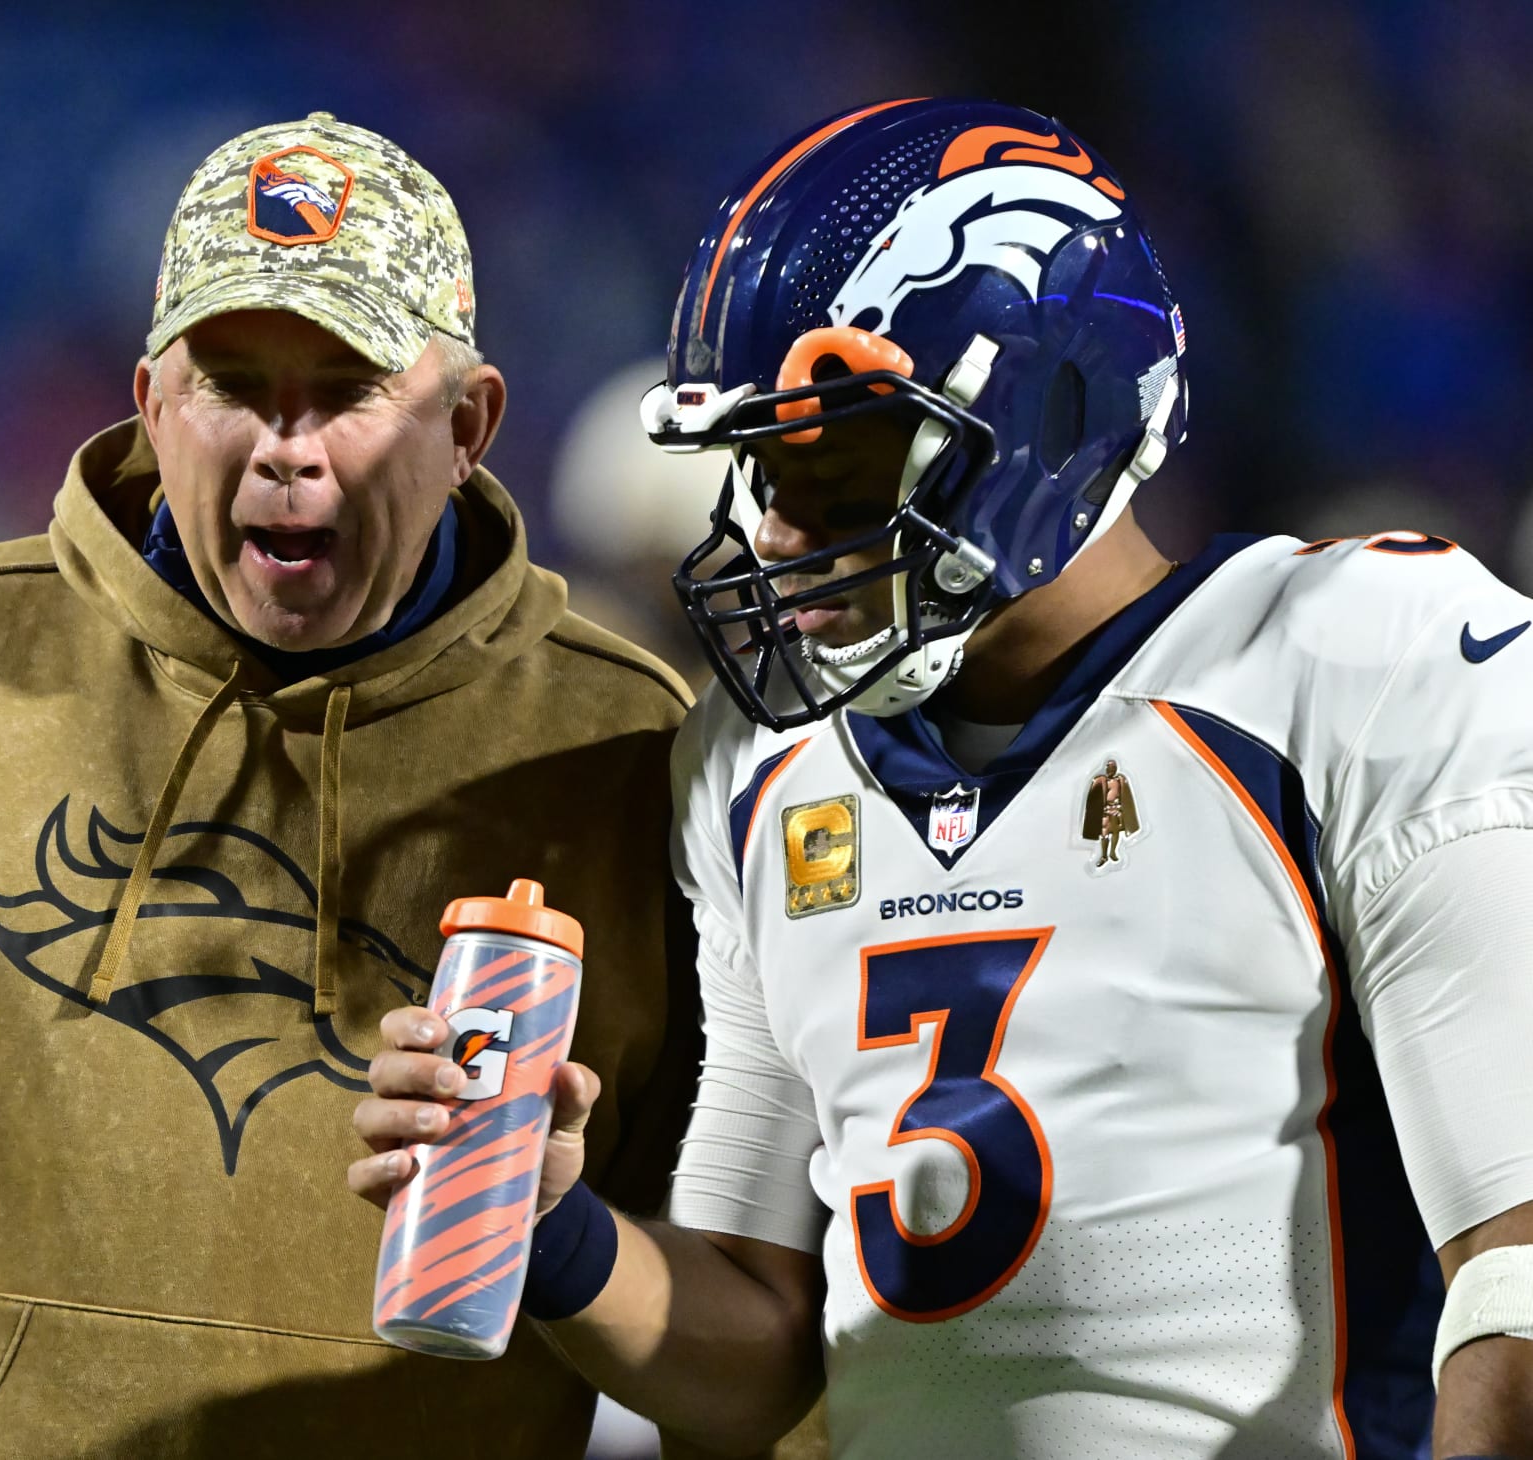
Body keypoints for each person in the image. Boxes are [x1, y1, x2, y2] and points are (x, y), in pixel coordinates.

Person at [352, 98, 1533, 1457]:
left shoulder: (1356, 661)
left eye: (835, 459)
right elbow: (758, 1349)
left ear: (1055, 412)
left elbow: (1516, 1276)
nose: (778, 528)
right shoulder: (756, 773)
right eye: (757, 466)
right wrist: (552, 1227)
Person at [0, 112, 706, 1457]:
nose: (282, 448)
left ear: (469, 421)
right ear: (149, 406)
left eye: (347, 389)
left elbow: (737, 1302)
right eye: (233, 384)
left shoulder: (625, 749)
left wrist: (575, 1229)